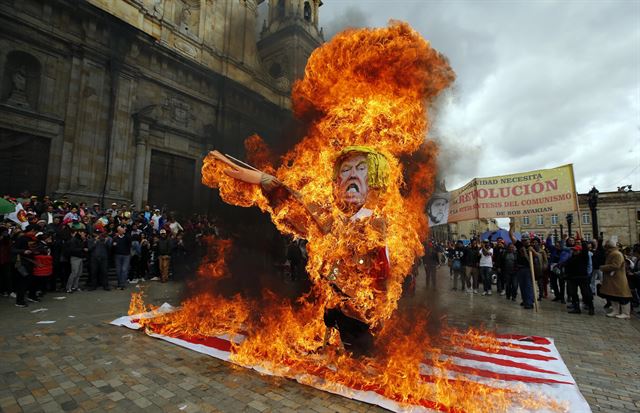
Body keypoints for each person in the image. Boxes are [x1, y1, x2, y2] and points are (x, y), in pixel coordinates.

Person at [599, 240, 633, 319]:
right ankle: (615, 311)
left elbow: (616, 265)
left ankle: (626, 313)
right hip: (612, 278)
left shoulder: (616, 254)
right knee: (613, 295)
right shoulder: (612, 253)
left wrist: (603, 267)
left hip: (618, 278)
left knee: (622, 296)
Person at [508, 221, 536, 309]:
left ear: (529, 240)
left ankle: (530, 302)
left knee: (528, 285)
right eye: (523, 240)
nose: (524, 241)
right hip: (520, 269)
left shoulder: (532, 247)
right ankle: (525, 300)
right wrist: (511, 227)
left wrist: (530, 253)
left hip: (528, 269)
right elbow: (511, 236)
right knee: (522, 286)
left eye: (526, 240)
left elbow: (536, 257)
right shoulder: (520, 245)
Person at [564, 242, 594, 315]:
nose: (574, 251)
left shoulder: (583, 257)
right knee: (573, 293)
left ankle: (591, 307)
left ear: (580, 251)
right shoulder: (571, 258)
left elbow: (585, 250)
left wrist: (583, 242)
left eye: (576, 250)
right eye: (574, 250)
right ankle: (576, 308)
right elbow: (566, 264)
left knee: (586, 293)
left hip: (582, 277)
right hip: (573, 278)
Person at [65, 225, 87, 293]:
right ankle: (68, 288)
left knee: (79, 273)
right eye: (83, 233)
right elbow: (72, 249)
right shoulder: (74, 239)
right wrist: (82, 249)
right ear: (80, 232)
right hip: (75, 258)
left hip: (80, 257)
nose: (84, 234)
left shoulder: (80, 239)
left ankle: (75, 286)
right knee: (74, 273)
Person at [112, 225, 131, 290]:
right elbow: (112, 247)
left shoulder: (127, 237)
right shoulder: (115, 238)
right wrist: (114, 245)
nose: (120, 231)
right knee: (118, 271)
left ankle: (123, 284)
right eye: (119, 230)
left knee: (124, 270)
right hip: (117, 255)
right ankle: (119, 284)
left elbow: (130, 243)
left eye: (121, 230)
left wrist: (125, 232)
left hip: (126, 255)